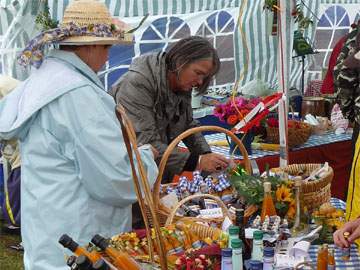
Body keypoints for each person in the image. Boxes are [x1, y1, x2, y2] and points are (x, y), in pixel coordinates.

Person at [0, 1, 158, 269]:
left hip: (50, 229)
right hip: (79, 235)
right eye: (106, 47)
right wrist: (145, 157)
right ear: (90, 45)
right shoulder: (77, 95)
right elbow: (113, 178)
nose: (107, 56)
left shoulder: (45, 80)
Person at [112, 36, 232, 182]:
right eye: (198, 73)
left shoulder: (180, 81)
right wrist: (198, 161)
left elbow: (188, 125)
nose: (200, 82)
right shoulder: (137, 83)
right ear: (180, 62)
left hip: (157, 171)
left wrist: (208, 156)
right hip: (128, 175)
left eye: (204, 77)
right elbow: (145, 143)